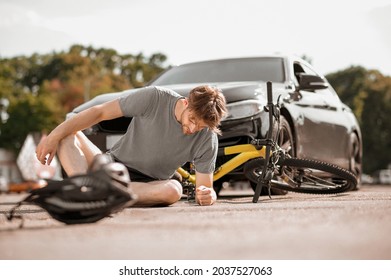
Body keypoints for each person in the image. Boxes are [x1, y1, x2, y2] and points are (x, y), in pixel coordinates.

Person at [36, 85, 227, 206]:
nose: (193, 129)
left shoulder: (207, 137)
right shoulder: (155, 98)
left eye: (200, 126)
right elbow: (100, 112)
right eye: (192, 119)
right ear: (185, 103)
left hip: (150, 183)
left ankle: (100, 193)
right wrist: (53, 136)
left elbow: (205, 188)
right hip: (111, 165)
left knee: (174, 191)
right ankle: (85, 192)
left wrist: (209, 196)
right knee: (67, 134)